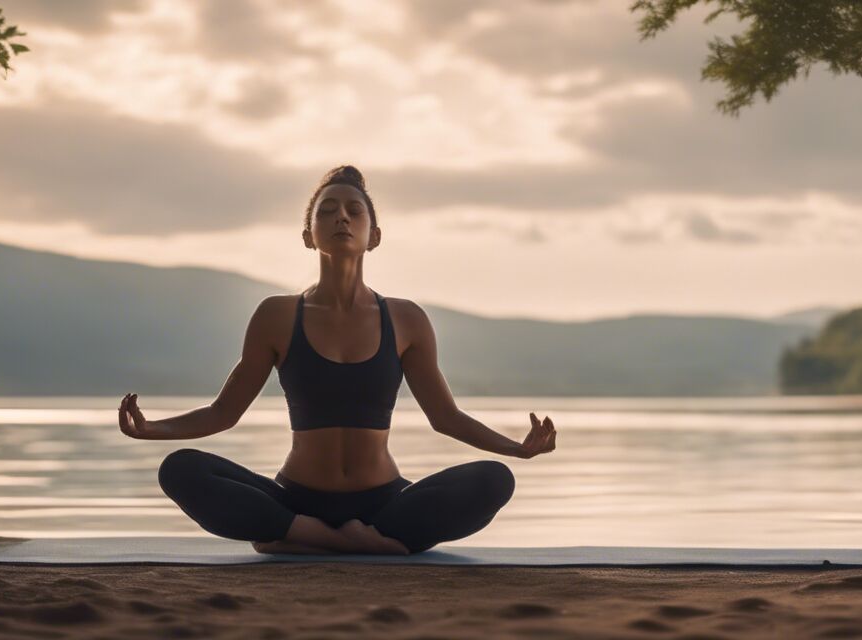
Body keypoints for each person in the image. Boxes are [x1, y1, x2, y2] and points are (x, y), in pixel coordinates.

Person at [117, 165, 557, 555]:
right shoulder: (277, 314)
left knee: (494, 479)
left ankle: (309, 539)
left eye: (353, 210)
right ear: (309, 236)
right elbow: (223, 412)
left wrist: (516, 448)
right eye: (327, 211)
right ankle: (345, 539)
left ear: (375, 235)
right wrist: (152, 429)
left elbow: (446, 418)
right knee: (182, 468)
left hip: (384, 503)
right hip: (294, 501)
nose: (341, 217)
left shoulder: (406, 319)